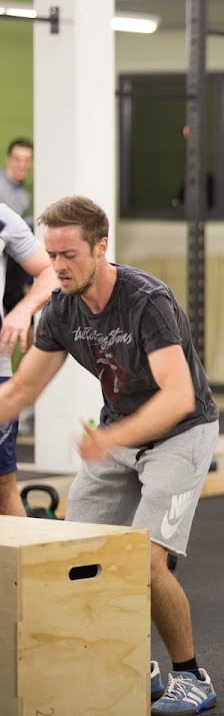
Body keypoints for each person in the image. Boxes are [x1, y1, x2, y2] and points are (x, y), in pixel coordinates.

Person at [0, 195, 220, 712]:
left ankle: (192, 675)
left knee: (144, 561)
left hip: (182, 434)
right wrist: (113, 439)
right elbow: (19, 393)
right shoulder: (61, 309)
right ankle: (128, 660)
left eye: (69, 255)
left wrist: (112, 441)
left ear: (102, 246)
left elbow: (178, 395)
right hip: (117, 433)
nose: (57, 267)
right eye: (51, 255)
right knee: (80, 560)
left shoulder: (147, 301)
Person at [0, 202, 65, 517]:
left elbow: (51, 271)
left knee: (3, 487)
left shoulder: (2, 217)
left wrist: (24, 310)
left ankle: (21, 567)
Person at [2, 138, 35, 340]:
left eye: (27, 160)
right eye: (17, 159)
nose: (21, 165)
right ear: (8, 159)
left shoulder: (25, 196)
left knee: (28, 331)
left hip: (13, 271)